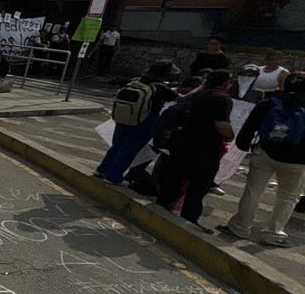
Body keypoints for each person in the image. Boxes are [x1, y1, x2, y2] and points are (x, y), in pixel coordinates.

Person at [221, 72, 305, 246]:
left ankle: (240, 227)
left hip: (265, 153)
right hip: (297, 161)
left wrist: (243, 145)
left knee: (253, 190)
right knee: (288, 197)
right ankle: (274, 234)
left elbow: (249, 127)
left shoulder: (269, 103)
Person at [153, 69, 234, 230]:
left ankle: (160, 208)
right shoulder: (221, 99)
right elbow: (222, 125)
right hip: (205, 147)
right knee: (198, 186)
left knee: (174, 179)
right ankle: (189, 218)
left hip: (180, 142)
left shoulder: (195, 95)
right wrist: (230, 136)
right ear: (225, 84)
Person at [94, 60, 178, 184]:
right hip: (145, 120)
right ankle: (114, 176)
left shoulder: (137, 81)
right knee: (130, 149)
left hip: (124, 118)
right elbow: (179, 98)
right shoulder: (160, 87)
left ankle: (102, 170)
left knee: (117, 145)